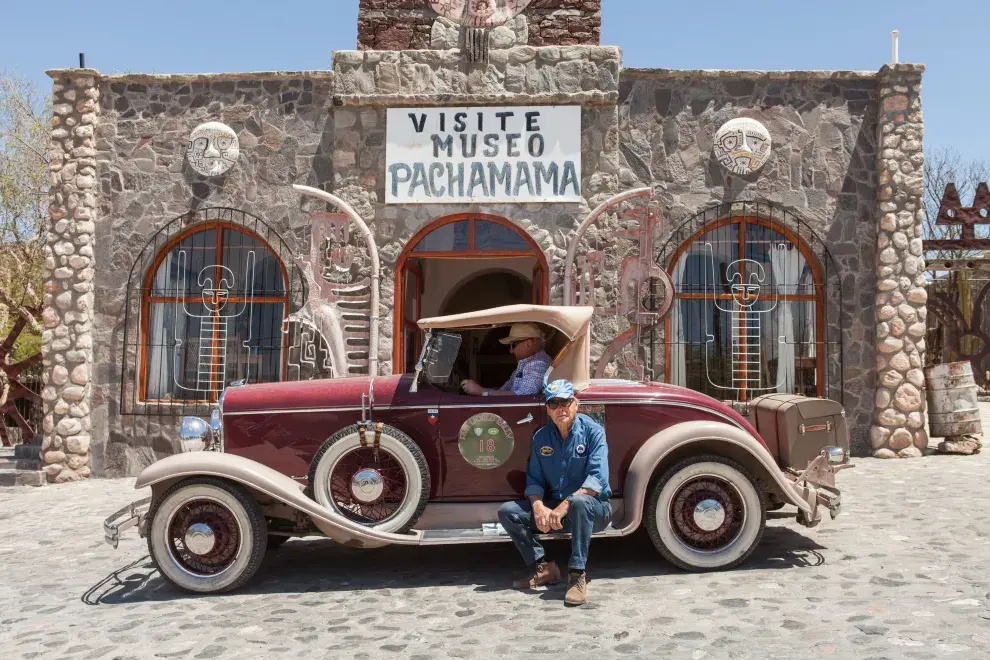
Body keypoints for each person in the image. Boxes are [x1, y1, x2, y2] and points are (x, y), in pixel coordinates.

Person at [497, 379, 612, 606]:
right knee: (508, 511)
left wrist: (564, 505)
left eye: (566, 402)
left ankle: (578, 575)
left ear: (576, 404)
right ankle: (544, 567)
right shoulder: (541, 437)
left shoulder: (593, 433)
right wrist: (539, 506)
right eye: (554, 404)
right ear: (547, 409)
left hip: (593, 510)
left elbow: (597, 480)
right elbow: (534, 480)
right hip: (557, 512)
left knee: (579, 502)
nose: (561, 408)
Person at [460, 323, 552, 397]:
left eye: (513, 345)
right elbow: (505, 390)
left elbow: (521, 397)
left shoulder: (539, 364)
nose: (511, 350)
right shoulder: (526, 363)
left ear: (528, 344)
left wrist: (481, 391)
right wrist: (481, 390)